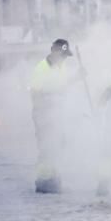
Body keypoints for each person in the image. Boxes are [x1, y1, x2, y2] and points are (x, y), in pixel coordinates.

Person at [28, 38, 79, 193]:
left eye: (65, 56)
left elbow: (61, 87)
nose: (64, 59)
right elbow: (35, 92)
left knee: (58, 144)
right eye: (62, 55)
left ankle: (53, 177)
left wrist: (76, 78)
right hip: (44, 112)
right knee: (46, 146)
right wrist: (43, 114)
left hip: (56, 112)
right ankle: (43, 182)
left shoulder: (60, 67)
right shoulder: (42, 68)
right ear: (54, 51)